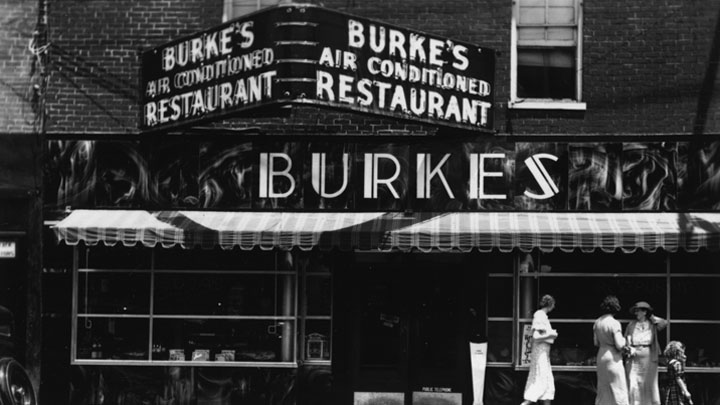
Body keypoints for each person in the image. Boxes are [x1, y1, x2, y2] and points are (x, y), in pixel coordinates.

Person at [624, 301, 668, 405]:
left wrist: (651, 317)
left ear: (644, 312)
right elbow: (627, 339)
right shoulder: (631, 324)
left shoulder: (652, 324)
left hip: (648, 356)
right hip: (634, 356)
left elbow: (664, 323)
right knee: (634, 382)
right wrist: (629, 348)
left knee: (648, 383)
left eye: (638, 311)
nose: (636, 313)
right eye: (635, 311)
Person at [521, 294, 558, 405]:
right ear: (550, 304)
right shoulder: (539, 315)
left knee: (546, 385)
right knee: (539, 382)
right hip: (540, 354)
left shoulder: (542, 316)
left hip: (544, 354)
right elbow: (536, 337)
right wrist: (551, 335)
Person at [594, 295, 629, 405]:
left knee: (603, 391)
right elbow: (619, 345)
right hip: (613, 358)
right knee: (619, 390)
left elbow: (596, 343)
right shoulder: (614, 323)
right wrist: (625, 340)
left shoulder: (597, 322)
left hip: (601, 356)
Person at [664, 341, 693, 405]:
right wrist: (686, 391)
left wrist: (683, 362)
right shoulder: (677, 363)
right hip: (677, 390)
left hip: (670, 388)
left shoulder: (670, 362)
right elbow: (678, 378)